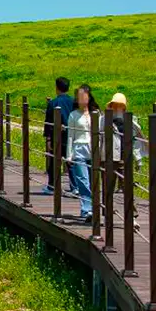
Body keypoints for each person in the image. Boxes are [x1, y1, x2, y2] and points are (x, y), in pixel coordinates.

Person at [67, 84, 100, 223]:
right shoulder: (73, 115)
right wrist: (69, 154)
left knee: (94, 181)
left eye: (83, 95)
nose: (81, 99)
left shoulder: (96, 113)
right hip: (79, 149)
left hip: (94, 149)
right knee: (83, 180)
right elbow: (70, 135)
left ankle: (96, 207)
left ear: (89, 96)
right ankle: (87, 209)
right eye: (78, 96)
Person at [99, 93, 145, 191]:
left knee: (126, 185)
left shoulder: (131, 121)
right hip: (108, 155)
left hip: (125, 155)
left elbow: (135, 141)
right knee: (107, 184)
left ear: (124, 107)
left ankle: (127, 202)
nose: (116, 107)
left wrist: (138, 159)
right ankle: (107, 204)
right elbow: (99, 137)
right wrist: (97, 156)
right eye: (114, 105)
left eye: (119, 105)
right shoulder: (103, 119)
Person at [42, 77, 75, 194]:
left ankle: (52, 186)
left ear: (57, 87)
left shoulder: (53, 103)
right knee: (71, 161)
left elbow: (48, 122)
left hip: (57, 136)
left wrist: (48, 138)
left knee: (54, 161)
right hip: (71, 136)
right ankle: (74, 187)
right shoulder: (74, 102)